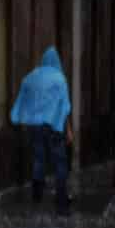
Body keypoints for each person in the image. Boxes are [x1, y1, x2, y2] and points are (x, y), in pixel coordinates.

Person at [10, 46, 73, 215]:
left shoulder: (31, 77)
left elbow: (24, 99)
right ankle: (61, 199)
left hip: (35, 126)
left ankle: (36, 195)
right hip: (54, 126)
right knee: (60, 162)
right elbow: (65, 106)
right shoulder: (59, 79)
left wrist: (20, 117)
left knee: (38, 158)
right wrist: (67, 129)